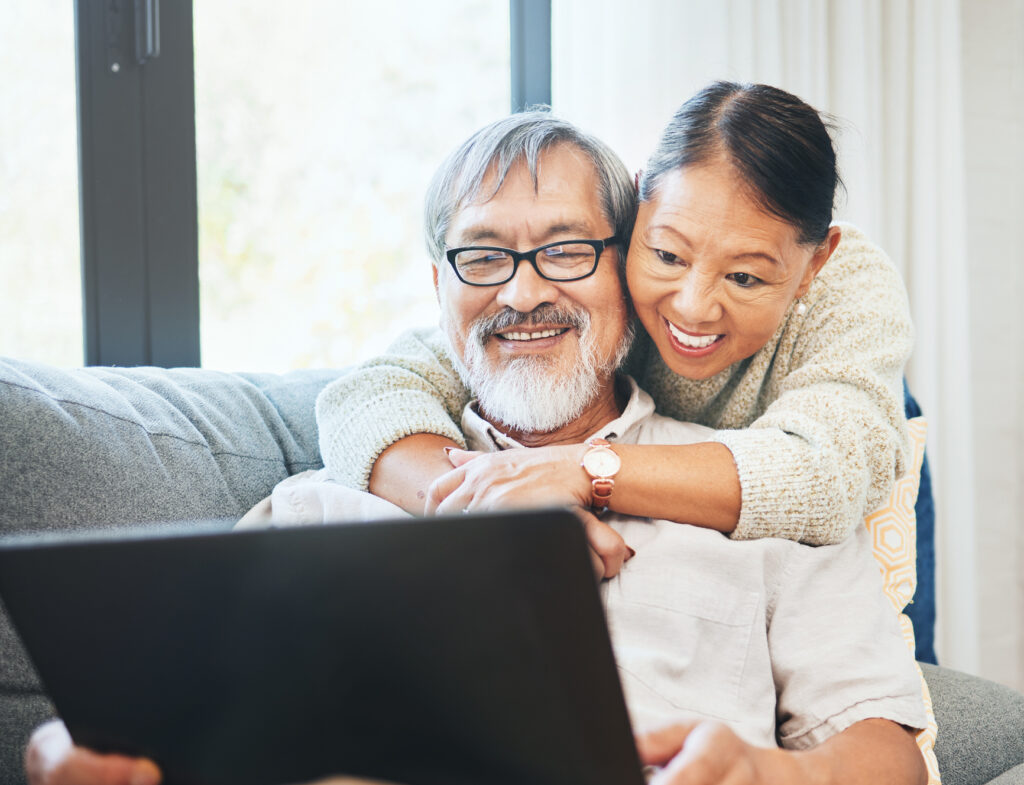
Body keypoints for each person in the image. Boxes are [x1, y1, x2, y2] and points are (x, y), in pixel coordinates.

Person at [25, 110, 928, 785]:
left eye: (567, 249)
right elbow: (137, 712)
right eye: (483, 256)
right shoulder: (326, 500)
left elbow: (892, 751)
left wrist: (772, 775)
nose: (523, 291)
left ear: (625, 264)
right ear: (437, 288)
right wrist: (60, 750)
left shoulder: (762, 499)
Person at [317, 82, 913, 548]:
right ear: (635, 214)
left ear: (814, 263)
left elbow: (834, 474)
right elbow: (370, 396)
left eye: (745, 276)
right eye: (668, 255)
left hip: (847, 435)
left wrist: (585, 469)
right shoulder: (591, 270)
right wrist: (497, 515)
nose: (692, 306)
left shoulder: (846, 283)